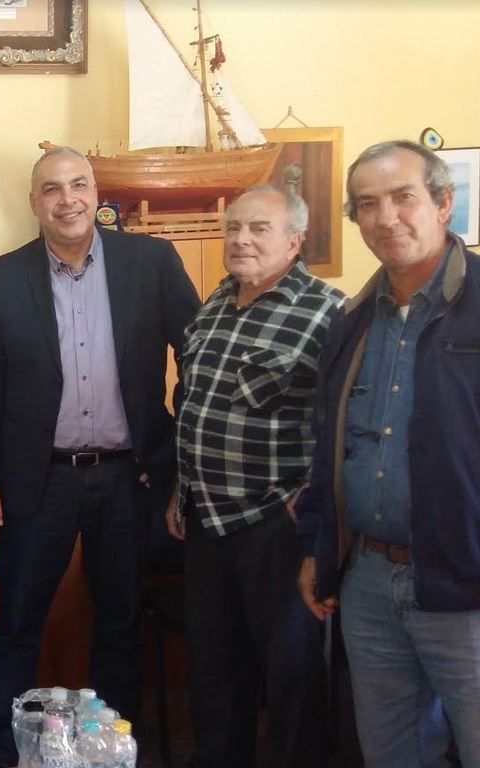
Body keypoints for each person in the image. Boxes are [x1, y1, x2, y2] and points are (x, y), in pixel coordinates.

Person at [0, 146, 200, 766]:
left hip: (129, 477)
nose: (67, 199)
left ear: (96, 194)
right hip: (37, 481)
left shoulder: (150, 262)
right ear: (34, 202)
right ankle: (5, 747)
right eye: (52, 189)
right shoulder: (4, 276)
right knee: (17, 619)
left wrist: (178, 452)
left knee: (119, 619)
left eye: (78, 185)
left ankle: (110, 747)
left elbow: (199, 355)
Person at [296, 139, 480, 766]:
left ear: (443, 203)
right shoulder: (351, 321)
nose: (386, 217)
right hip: (369, 583)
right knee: (392, 756)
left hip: (466, 589)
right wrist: (318, 547)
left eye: (404, 197)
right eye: (368, 204)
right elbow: (332, 444)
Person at [170, 185, 341, 768]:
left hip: (277, 525)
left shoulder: (328, 313)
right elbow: (194, 403)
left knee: (293, 677)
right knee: (214, 671)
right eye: (234, 227)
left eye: (259, 228)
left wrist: (315, 499)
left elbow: (345, 422)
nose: (241, 239)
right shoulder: (215, 303)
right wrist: (181, 489)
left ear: (294, 241)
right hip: (206, 522)